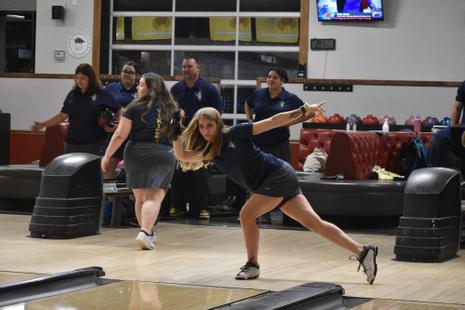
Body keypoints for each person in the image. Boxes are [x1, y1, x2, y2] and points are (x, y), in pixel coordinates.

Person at [171, 104, 378, 284]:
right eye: (202, 126)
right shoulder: (209, 150)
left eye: (210, 125)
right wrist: (175, 130)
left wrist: (302, 111)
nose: (206, 130)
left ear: (218, 124)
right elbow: (181, 154)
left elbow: (273, 121)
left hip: (276, 176)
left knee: (246, 215)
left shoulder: (236, 133)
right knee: (314, 223)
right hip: (275, 180)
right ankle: (363, 252)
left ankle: (252, 264)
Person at [101, 72, 177, 250]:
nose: (137, 87)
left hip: (136, 153)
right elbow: (177, 137)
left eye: (141, 85)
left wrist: (107, 155)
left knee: (140, 197)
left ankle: (147, 231)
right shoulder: (172, 109)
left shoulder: (133, 107)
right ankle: (146, 231)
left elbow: (120, 135)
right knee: (154, 196)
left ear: (151, 88)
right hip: (163, 154)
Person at [244, 68, 312, 224]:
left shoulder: (289, 98)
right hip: (259, 144)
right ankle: (260, 214)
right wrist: (249, 121)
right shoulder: (259, 94)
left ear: (282, 80)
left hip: (279, 145)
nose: (270, 80)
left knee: (284, 178)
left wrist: (290, 122)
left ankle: (290, 216)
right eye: (268, 77)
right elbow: (248, 105)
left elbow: (309, 113)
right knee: (258, 179)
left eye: (275, 77)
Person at [169, 56, 222, 219]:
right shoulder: (176, 89)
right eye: (183, 67)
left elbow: (217, 114)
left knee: (200, 173)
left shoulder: (209, 89)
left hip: (202, 136)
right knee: (178, 171)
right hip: (181, 136)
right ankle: (177, 206)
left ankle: (201, 208)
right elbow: (170, 111)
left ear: (198, 68)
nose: (185, 70)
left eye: (189, 67)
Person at [31, 63, 120, 156]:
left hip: (95, 143)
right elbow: (62, 115)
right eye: (77, 78)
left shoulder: (101, 94)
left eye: (83, 78)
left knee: (91, 169)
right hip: (72, 143)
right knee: (71, 170)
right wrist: (43, 124)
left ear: (91, 78)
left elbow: (119, 109)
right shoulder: (72, 95)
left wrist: (119, 126)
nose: (79, 81)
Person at [104, 62, 139, 179]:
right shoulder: (110, 88)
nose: (128, 75)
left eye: (131, 72)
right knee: (108, 169)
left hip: (133, 136)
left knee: (132, 172)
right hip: (113, 134)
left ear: (135, 76)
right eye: (125, 71)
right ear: (120, 73)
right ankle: (110, 197)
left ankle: (130, 197)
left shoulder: (140, 90)